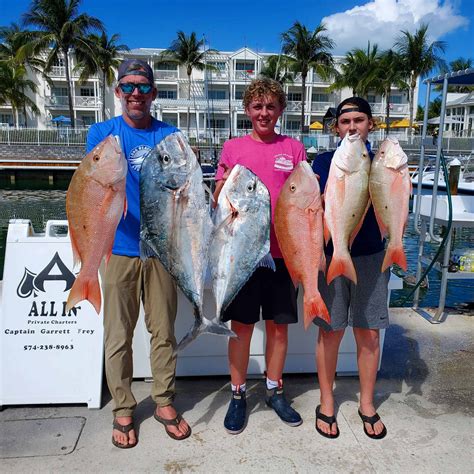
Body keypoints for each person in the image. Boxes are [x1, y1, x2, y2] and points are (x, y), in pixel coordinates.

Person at [86, 59, 191, 448]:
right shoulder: (103, 133)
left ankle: (163, 401)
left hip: (162, 252)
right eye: (128, 86)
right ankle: (123, 408)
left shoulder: (171, 135)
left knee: (163, 330)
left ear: (154, 94)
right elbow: (97, 187)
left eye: (143, 87)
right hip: (120, 249)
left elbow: (184, 189)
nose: (135, 94)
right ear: (118, 91)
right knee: (118, 334)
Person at [213, 77, 305, 434]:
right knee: (241, 328)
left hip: (283, 255)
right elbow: (219, 197)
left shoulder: (294, 149)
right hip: (242, 255)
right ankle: (238, 395)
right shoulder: (233, 147)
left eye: (270, 106)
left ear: (280, 110)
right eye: (257, 106)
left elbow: (304, 197)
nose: (264, 113)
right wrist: (219, 190)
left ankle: (274, 389)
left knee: (279, 328)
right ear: (247, 110)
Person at [312, 97, 388, 440]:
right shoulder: (326, 161)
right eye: (345, 121)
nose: (352, 126)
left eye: (359, 120)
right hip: (332, 253)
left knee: (369, 332)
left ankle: (367, 404)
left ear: (370, 124)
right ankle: (327, 402)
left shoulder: (386, 161)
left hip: (371, 254)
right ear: (337, 127)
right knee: (330, 330)